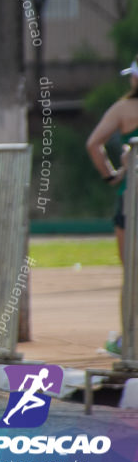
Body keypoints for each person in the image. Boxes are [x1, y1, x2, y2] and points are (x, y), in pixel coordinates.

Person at [86, 56, 138, 355]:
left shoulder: (123, 109)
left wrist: (111, 177)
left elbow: (93, 143)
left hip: (131, 197)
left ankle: (128, 339)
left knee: (131, 271)